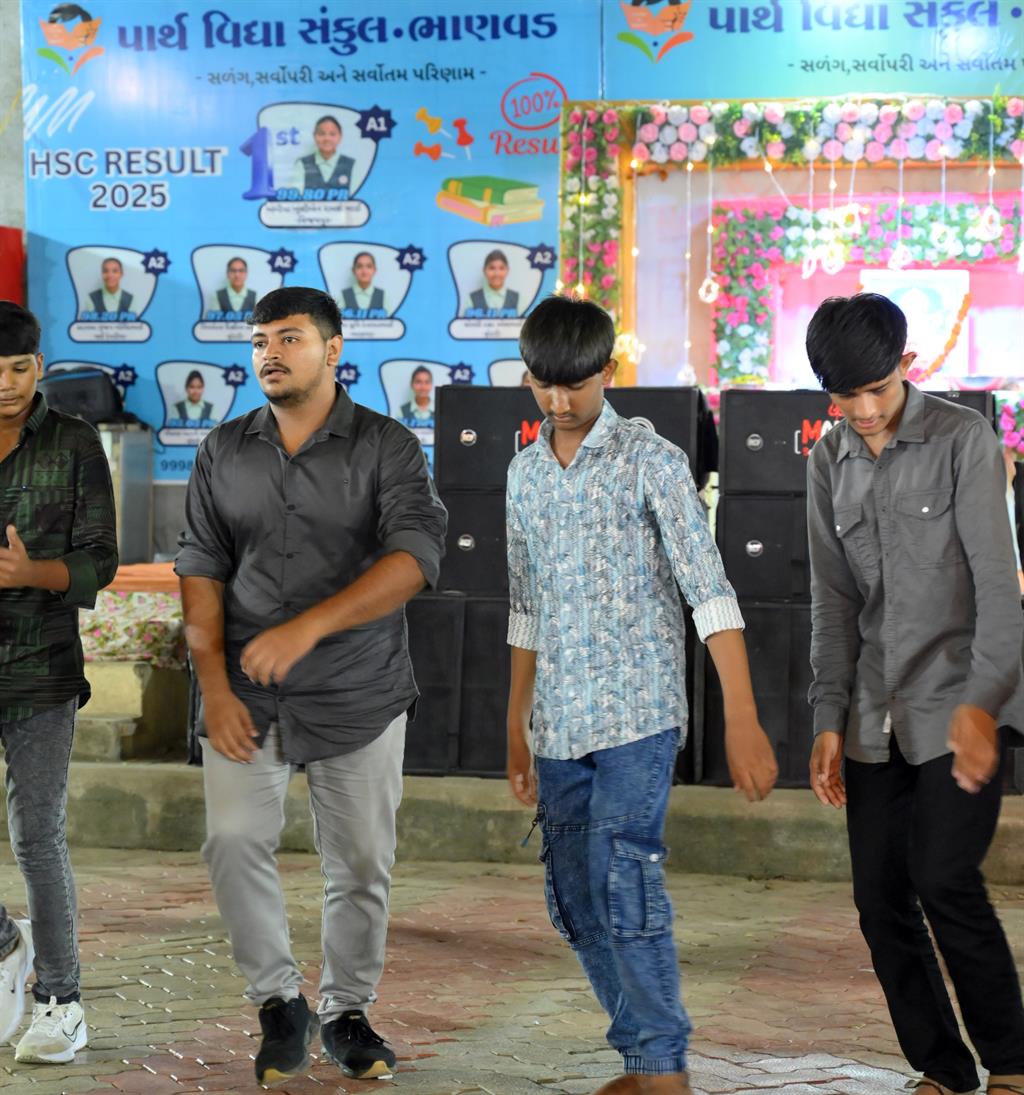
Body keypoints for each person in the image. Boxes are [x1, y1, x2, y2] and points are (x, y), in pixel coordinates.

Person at [505, 294, 777, 1095]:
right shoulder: (523, 474)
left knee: (624, 876)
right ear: (527, 377)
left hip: (640, 715)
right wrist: (515, 724)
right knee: (575, 898)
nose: (560, 400)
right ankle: (643, 1054)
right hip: (557, 723)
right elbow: (525, 606)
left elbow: (709, 591)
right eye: (545, 384)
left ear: (609, 371)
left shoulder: (651, 460)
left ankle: (664, 1067)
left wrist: (743, 717)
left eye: (576, 384)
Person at [175, 286, 446, 1087]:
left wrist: (309, 627)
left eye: (289, 338)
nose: (270, 353)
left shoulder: (387, 446)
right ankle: (277, 1003)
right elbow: (200, 569)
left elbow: (415, 559)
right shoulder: (223, 448)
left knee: (360, 861)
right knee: (231, 842)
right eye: (260, 340)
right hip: (245, 693)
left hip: (357, 689)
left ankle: (347, 1011)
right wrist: (214, 685)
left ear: (333, 349)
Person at [805, 293, 1024, 1095]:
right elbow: (833, 603)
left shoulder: (964, 439)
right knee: (879, 898)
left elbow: (999, 589)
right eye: (846, 395)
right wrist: (828, 716)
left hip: (960, 701)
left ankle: (1012, 1059)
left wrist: (984, 703)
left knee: (943, 876)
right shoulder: (827, 461)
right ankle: (942, 1065)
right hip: (874, 712)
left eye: (876, 389)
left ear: (907, 364)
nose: (864, 410)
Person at [0, 300, 117, 1064]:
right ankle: (5, 942)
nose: (6, 384)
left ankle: (61, 1002)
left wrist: (32, 572)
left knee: (35, 836)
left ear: (38, 366)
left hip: (40, 672)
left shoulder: (74, 443)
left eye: (18, 368)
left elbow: (100, 559)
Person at [290, 115, 355, 196]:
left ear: (340, 137)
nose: (327, 138)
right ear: (314, 136)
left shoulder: (352, 165)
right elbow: (294, 198)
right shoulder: (301, 164)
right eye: (321, 134)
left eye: (332, 134)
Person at [467, 250, 519, 315]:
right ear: (484, 270)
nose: (496, 274)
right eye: (492, 268)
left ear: (507, 270)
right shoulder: (471, 299)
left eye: (501, 268)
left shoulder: (518, 299)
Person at [339, 252, 388, 317]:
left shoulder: (383, 296)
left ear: (374, 270)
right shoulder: (343, 296)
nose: (364, 271)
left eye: (369, 266)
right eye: (359, 266)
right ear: (353, 270)